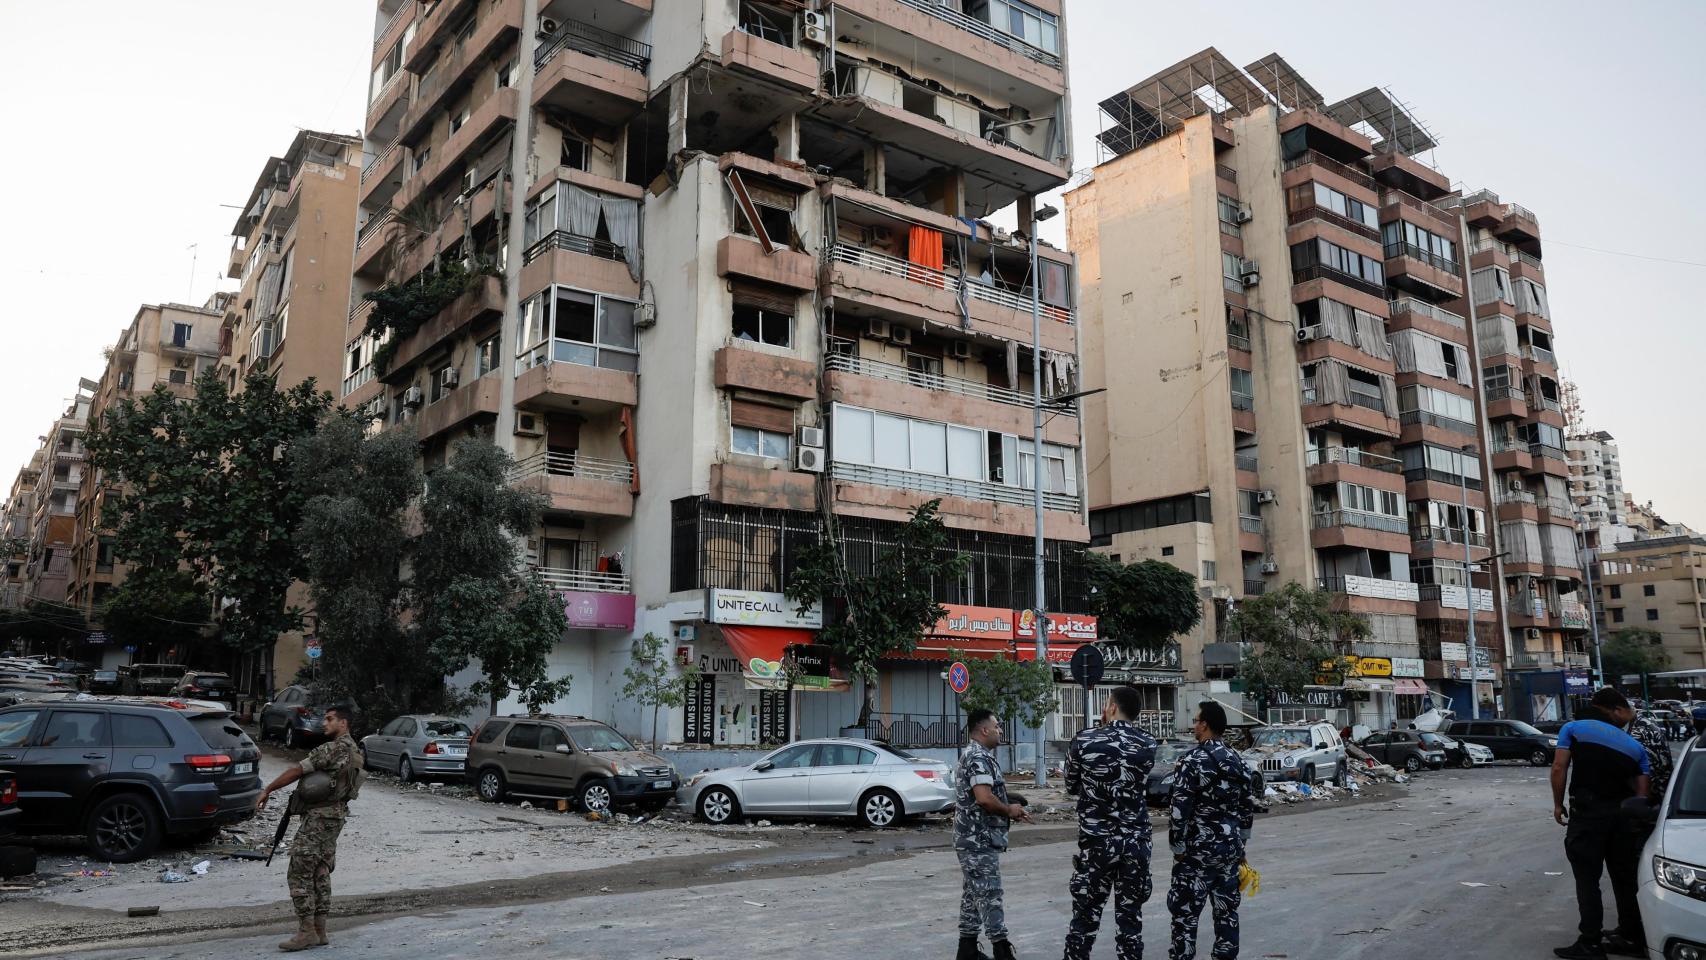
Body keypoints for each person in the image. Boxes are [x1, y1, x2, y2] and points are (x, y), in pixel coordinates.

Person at [1550, 688, 1650, 960]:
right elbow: (1641, 791)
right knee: (1625, 879)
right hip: (1622, 817)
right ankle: (1632, 936)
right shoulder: (1634, 745)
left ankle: (1590, 943)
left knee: (1587, 879)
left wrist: (1558, 805)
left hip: (1588, 814)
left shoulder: (1573, 728)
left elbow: (1559, 768)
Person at [257, 703, 364, 952]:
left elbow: (297, 770)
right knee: (320, 870)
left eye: (329, 719)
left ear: (343, 724)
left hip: (319, 818)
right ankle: (320, 930)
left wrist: (268, 789)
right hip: (335, 815)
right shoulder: (355, 750)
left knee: (299, 870)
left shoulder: (334, 748)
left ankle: (306, 932)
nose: (324, 723)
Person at [1062, 686, 1158, 960]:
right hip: (1135, 844)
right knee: (1130, 924)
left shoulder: (1084, 740)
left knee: (1083, 921)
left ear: (1112, 707)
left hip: (1096, 844)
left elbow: (1071, 785)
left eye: (1106, 704)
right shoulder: (1148, 743)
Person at [1167, 700, 1256, 960]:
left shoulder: (1192, 761)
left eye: (1196, 721)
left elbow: (1178, 811)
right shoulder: (1237, 760)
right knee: (1227, 915)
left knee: (1184, 919)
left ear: (1204, 725)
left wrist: (1178, 849)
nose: (1194, 725)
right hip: (1228, 853)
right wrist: (1241, 847)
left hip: (1195, 856)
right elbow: (1246, 808)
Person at [955, 708, 1031, 960]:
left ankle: (966, 951)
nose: (1000, 730)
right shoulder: (978, 757)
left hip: (976, 838)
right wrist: (1008, 808)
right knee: (989, 894)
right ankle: (1002, 950)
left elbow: (986, 794)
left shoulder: (979, 755)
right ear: (984, 730)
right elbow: (984, 799)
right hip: (978, 839)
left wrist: (1011, 803)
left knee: (973, 895)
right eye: (997, 726)